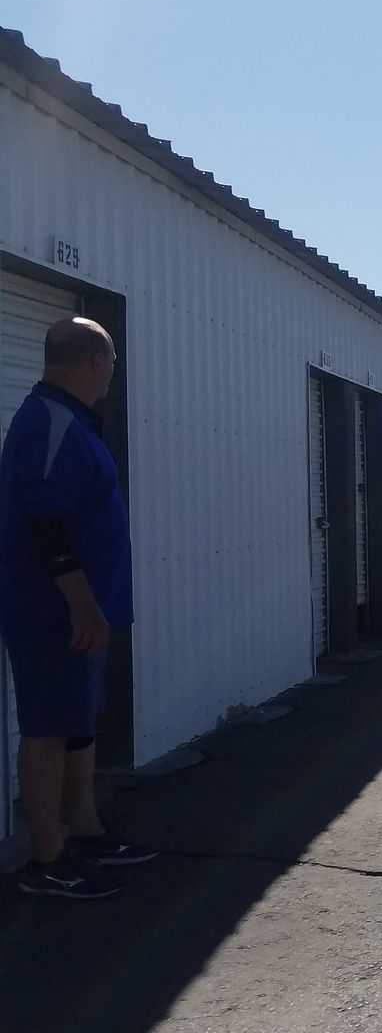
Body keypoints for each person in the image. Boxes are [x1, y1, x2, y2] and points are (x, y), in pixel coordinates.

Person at [0, 317, 152, 898]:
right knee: (47, 728)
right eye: (110, 363)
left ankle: (84, 830)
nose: (110, 374)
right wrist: (83, 606)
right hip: (54, 614)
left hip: (86, 613)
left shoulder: (73, 423)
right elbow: (44, 521)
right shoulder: (49, 422)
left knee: (78, 722)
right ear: (94, 362)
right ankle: (47, 859)